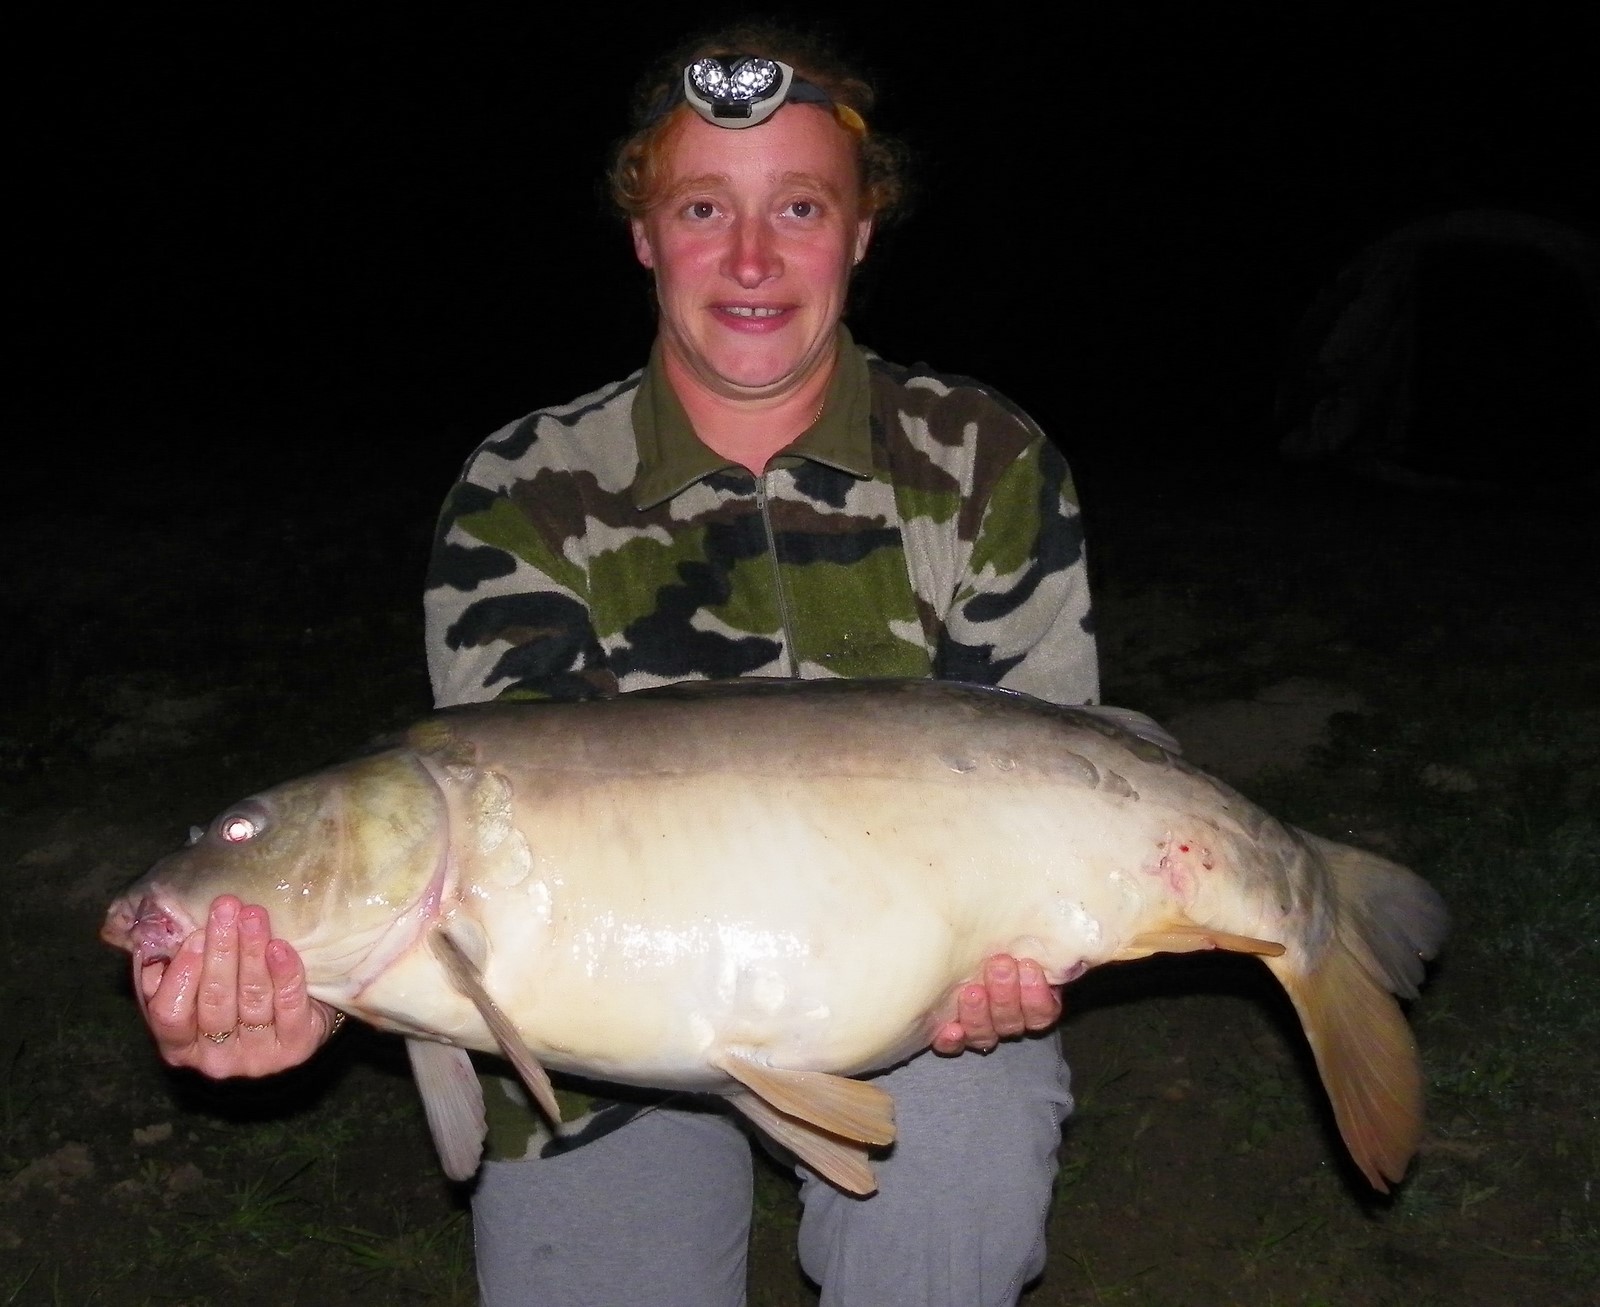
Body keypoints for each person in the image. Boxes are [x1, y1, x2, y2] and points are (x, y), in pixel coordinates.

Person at [132, 24, 1098, 1307]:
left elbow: (1059, 779)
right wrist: (314, 989)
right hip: (580, 1061)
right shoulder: (522, 489)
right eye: (702, 208)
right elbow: (476, 903)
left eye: (798, 207)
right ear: (644, 235)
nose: (749, 259)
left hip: (909, 1004)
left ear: (860, 230)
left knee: (963, 1169)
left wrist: (1015, 952)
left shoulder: (983, 456)